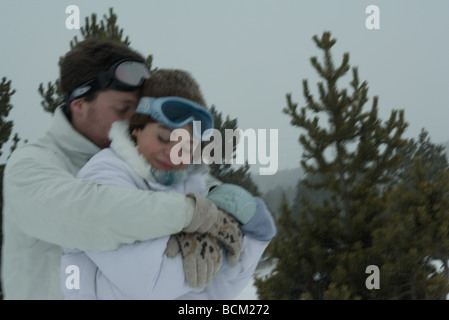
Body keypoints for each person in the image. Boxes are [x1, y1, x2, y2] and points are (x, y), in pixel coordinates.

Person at [1, 38, 248, 300]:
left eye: (141, 109)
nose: (135, 120)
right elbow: (94, 215)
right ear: (80, 105)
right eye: (123, 109)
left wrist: (223, 202)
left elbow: (202, 188)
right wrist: (193, 213)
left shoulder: (135, 161)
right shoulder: (30, 167)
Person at [60, 69, 276, 299]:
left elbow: (216, 293)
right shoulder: (102, 179)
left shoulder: (190, 184)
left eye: (185, 147)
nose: (174, 154)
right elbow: (149, 284)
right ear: (137, 129)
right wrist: (220, 245)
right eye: (164, 138)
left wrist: (255, 235)